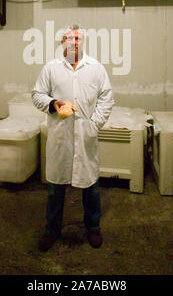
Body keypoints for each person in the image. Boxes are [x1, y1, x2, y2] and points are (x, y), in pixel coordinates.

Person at [32, 24, 114, 251]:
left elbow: (107, 97)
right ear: (62, 43)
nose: (73, 42)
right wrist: (52, 103)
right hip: (60, 136)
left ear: (82, 42)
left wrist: (95, 124)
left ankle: (93, 227)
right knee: (55, 187)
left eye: (77, 39)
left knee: (91, 186)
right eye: (69, 39)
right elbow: (37, 94)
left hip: (86, 136)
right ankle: (51, 230)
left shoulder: (95, 68)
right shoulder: (51, 68)